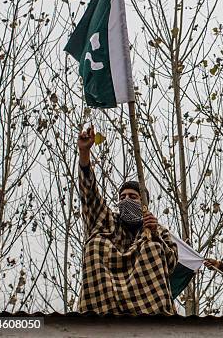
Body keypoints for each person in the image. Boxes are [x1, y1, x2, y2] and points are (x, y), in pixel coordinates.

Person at [77, 126, 178, 314]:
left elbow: (171, 263)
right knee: (96, 241)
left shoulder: (157, 229)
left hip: (145, 305)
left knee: (153, 246)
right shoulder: (108, 222)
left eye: (133, 197)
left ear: (144, 203)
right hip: (104, 303)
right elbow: (90, 197)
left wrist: (154, 234)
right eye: (122, 197)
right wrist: (84, 154)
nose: (126, 200)